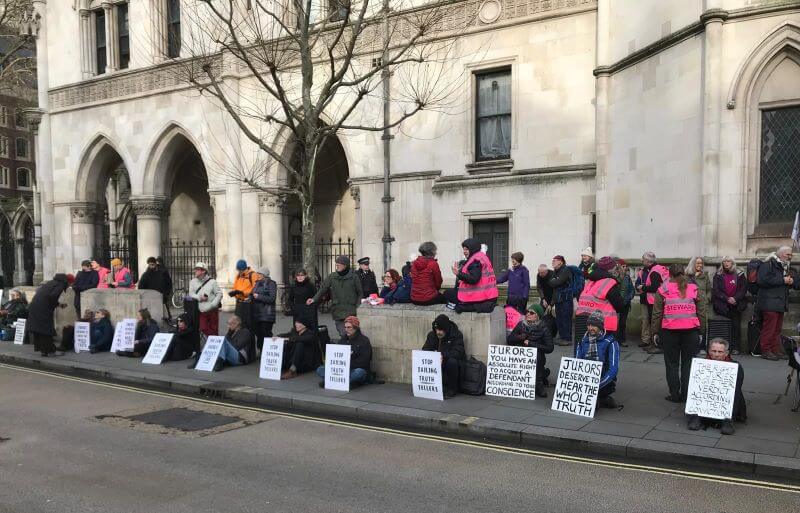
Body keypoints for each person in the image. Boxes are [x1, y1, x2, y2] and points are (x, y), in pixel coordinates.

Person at [653, 264, 707, 403]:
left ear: (669, 274)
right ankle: (686, 394)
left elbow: (657, 314)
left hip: (669, 332)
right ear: (684, 272)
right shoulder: (694, 288)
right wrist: (701, 331)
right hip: (691, 332)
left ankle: (674, 394)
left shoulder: (662, 289)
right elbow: (701, 312)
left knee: (672, 364)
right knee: (688, 363)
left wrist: (655, 332)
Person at [687, 338, 747, 435]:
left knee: (734, 391)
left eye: (720, 352)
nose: (716, 354)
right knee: (694, 387)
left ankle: (727, 420)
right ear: (709, 351)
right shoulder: (699, 365)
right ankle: (695, 417)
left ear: (726, 353)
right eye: (713, 351)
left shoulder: (735, 366)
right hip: (705, 395)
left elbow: (737, 387)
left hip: (724, 397)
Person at [756, 246, 798, 360]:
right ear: (780, 254)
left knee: (777, 329)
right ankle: (766, 350)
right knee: (769, 328)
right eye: (787, 254)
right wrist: (782, 280)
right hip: (769, 302)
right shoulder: (768, 264)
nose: (790, 257)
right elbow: (762, 280)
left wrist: (791, 281)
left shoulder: (787, 267)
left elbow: (796, 284)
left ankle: (775, 350)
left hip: (780, 302)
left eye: (791, 255)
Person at [308, 256, 362, 338]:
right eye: (336, 264)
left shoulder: (354, 277)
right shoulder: (332, 277)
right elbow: (323, 289)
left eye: (339, 264)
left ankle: (353, 349)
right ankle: (345, 347)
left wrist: (358, 306)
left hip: (351, 310)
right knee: (343, 333)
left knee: (352, 333)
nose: (337, 266)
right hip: (338, 310)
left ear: (345, 265)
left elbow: (360, 293)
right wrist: (314, 299)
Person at [507, 304, 553, 397]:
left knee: (538, 357)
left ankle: (539, 383)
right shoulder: (521, 324)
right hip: (521, 357)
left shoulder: (544, 328)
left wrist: (532, 344)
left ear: (538, 316)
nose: (528, 314)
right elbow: (509, 340)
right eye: (527, 312)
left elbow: (549, 348)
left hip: (537, 357)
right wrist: (520, 337)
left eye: (531, 313)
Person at [575, 310, 619, 408]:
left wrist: (597, 385)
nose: (590, 328)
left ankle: (602, 397)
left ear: (600, 326)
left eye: (594, 325)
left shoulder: (611, 342)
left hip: (602, 380)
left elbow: (613, 369)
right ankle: (601, 399)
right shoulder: (582, 341)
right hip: (585, 379)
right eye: (588, 325)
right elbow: (576, 362)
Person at [575, 256, 625, 341]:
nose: (615, 269)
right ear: (610, 269)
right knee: (603, 350)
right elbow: (619, 305)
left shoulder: (590, 281)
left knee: (584, 349)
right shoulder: (609, 282)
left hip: (582, 321)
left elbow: (579, 295)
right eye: (614, 267)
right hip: (602, 324)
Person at [316, 316, 372, 388]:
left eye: (349, 327)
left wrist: (347, 364)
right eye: (345, 327)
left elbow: (365, 360)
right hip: (342, 370)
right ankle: (346, 382)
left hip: (354, 369)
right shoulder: (343, 339)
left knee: (359, 373)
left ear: (355, 328)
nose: (346, 330)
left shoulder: (364, 340)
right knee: (320, 369)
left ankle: (331, 381)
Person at [27, 273, 73, 356]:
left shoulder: (51, 282)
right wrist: (53, 305)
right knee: (46, 329)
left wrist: (58, 304)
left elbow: (47, 296)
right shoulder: (60, 285)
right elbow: (53, 296)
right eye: (71, 283)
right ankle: (51, 351)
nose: (70, 286)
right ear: (68, 282)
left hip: (35, 306)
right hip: (43, 309)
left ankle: (43, 350)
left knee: (39, 329)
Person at [422, 314, 466, 398]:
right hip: (437, 365)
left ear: (446, 329)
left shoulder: (456, 335)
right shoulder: (432, 335)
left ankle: (452, 389)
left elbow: (458, 352)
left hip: (452, 366)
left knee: (452, 362)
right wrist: (433, 355)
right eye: (436, 329)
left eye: (441, 330)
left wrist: (442, 355)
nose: (438, 332)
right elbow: (425, 349)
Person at [451, 238, 498, 313]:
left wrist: (458, 274)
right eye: (463, 249)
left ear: (472, 249)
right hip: (489, 296)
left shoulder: (475, 260)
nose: (464, 252)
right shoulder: (482, 257)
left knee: (448, 294)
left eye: (466, 249)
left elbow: (474, 279)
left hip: (479, 298)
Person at [712, 257, 748, 354]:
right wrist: (727, 299)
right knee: (723, 327)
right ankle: (722, 349)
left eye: (729, 261)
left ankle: (735, 348)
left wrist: (735, 298)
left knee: (736, 327)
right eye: (724, 261)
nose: (726, 263)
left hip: (736, 305)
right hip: (723, 305)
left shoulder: (740, 274)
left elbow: (743, 289)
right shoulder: (718, 275)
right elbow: (716, 290)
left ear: (733, 263)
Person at [636, 252, 669, 354]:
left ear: (648, 261)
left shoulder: (655, 271)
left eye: (643, 259)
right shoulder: (659, 268)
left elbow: (655, 287)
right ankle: (653, 343)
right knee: (652, 322)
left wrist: (643, 287)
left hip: (654, 300)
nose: (641, 261)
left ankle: (657, 345)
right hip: (654, 300)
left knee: (655, 323)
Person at [278, 315, 323, 379]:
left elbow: (302, 339)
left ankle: (292, 371)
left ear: (304, 325)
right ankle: (280, 366)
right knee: (285, 343)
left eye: (298, 323)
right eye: (296, 322)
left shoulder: (311, 334)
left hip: (307, 362)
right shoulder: (294, 331)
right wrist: (278, 337)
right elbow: (286, 334)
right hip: (295, 359)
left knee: (299, 344)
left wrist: (288, 339)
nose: (296, 324)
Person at [188, 262, 222, 338]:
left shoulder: (212, 282)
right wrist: (199, 297)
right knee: (203, 328)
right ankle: (214, 339)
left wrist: (213, 305)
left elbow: (219, 294)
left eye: (197, 269)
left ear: (203, 271)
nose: (195, 271)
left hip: (213, 311)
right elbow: (191, 294)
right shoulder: (192, 282)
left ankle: (214, 345)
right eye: (195, 269)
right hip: (202, 311)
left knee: (214, 330)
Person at [251, 266, 277, 354]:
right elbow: (253, 293)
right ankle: (262, 350)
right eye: (257, 273)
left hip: (267, 313)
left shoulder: (271, 284)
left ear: (264, 275)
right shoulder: (257, 283)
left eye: (259, 274)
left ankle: (268, 351)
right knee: (258, 333)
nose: (257, 275)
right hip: (257, 313)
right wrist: (250, 297)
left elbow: (272, 298)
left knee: (266, 333)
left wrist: (258, 296)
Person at [548, 255, 573, 346]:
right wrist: (552, 302)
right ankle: (562, 337)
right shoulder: (556, 271)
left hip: (566, 299)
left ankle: (567, 338)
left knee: (566, 319)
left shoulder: (565, 270)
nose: (553, 262)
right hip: (558, 299)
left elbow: (557, 282)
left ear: (561, 262)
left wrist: (554, 281)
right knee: (559, 319)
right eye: (552, 260)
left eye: (555, 260)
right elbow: (551, 283)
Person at [410, 241, 445, 305]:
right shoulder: (433, 264)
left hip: (414, 298)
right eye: (435, 251)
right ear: (432, 252)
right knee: (447, 296)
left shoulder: (414, 263)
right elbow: (438, 281)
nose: (436, 253)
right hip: (428, 298)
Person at [615, 259, 635, 347]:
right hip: (616, 303)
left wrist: (628, 299)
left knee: (622, 323)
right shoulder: (614, 277)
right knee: (615, 322)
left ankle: (622, 339)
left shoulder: (627, 277)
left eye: (626, 266)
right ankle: (615, 340)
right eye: (623, 266)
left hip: (625, 304)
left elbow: (631, 290)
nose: (625, 268)